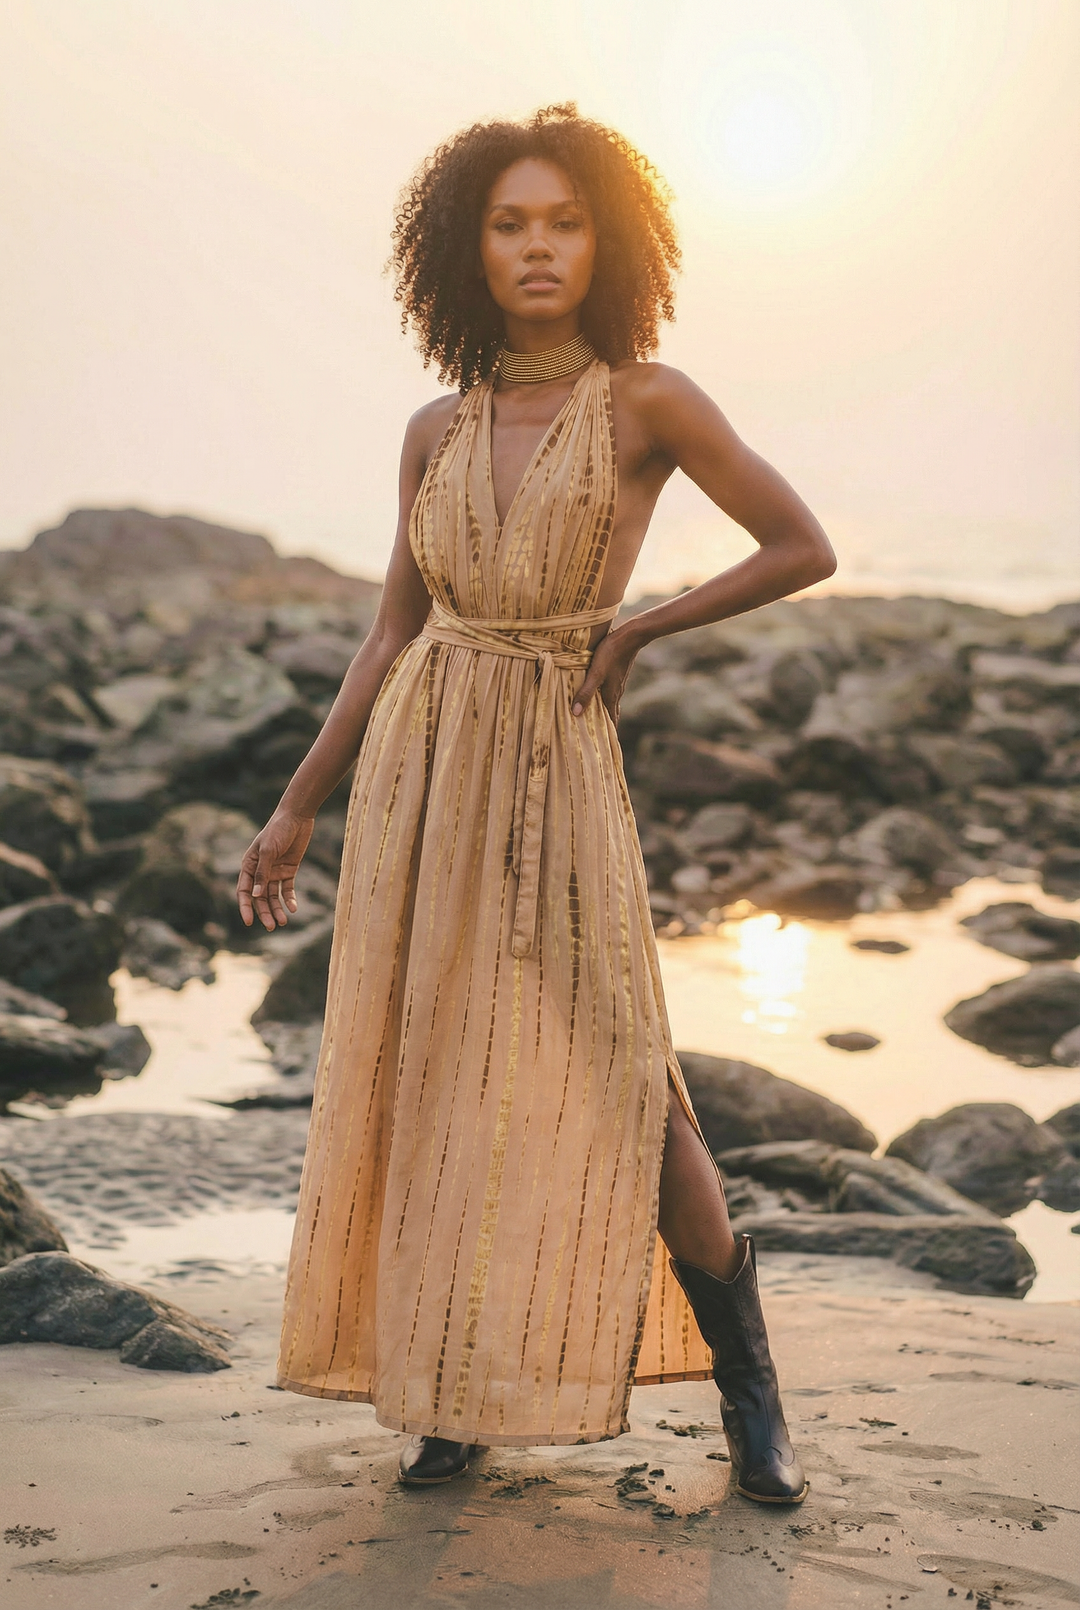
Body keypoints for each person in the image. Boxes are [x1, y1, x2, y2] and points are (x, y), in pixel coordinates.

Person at [237, 104, 834, 1502]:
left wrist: (635, 631)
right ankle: (449, 1389)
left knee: (632, 1076)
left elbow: (801, 544)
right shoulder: (433, 429)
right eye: (511, 223)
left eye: (565, 221)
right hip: (422, 771)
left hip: (557, 765)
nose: (539, 247)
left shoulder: (648, 403)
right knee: (442, 1061)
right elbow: (389, 637)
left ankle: (751, 1392)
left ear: (607, 240)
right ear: (467, 247)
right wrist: (294, 807)